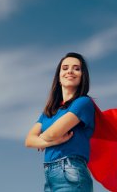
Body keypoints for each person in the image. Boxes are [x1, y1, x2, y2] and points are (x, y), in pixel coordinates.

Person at [25, 52, 95, 192]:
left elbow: (53, 132)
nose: (70, 71)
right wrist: (52, 142)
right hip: (50, 174)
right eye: (65, 68)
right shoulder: (49, 111)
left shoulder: (83, 103)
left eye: (76, 68)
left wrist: (44, 139)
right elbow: (29, 141)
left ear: (82, 76)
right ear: (58, 77)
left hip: (70, 170)